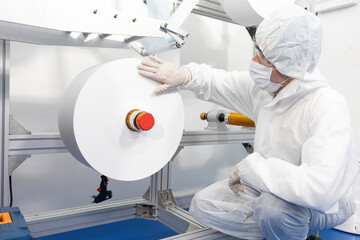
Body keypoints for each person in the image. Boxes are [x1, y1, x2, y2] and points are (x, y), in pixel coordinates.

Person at [138, 4, 359, 240]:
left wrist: (249, 168)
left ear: (286, 64)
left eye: (262, 57)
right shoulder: (266, 89)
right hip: (269, 186)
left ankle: (290, 227)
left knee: (274, 212)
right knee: (202, 204)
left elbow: (320, 190)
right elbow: (217, 82)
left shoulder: (326, 104)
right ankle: (284, 226)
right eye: (258, 50)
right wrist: (184, 75)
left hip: (330, 201)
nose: (254, 59)